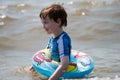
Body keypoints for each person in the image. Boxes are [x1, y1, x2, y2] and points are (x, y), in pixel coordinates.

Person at [30, 4, 72, 80]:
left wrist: (52, 79)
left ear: (58, 22)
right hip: (54, 65)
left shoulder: (62, 40)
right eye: (43, 23)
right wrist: (35, 65)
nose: (43, 26)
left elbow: (65, 64)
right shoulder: (53, 38)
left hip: (63, 74)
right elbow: (47, 53)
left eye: (46, 23)